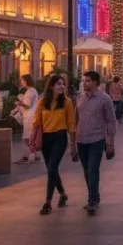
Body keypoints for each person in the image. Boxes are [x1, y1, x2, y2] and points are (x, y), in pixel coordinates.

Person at [75, 71, 116, 215]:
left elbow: (111, 121)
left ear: (95, 83)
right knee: (87, 171)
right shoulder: (80, 98)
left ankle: (91, 200)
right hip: (81, 139)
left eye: (87, 81)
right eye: (84, 80)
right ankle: (95, 195)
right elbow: (76, 119)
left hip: (97, 139)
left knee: (93, 169)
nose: (84, 83)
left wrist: (110, 142)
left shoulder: (105, 99)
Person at [34, 74, 75, 215]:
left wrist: (72, 143)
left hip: (60, 137)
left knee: (52, 167)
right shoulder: (42, 102)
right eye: (58, 84)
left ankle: (48, 202)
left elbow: (71, 123)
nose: (61, 86)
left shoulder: (67, 102)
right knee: (52, 170)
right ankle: (63, 194)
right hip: (46, 138)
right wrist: (33, 139)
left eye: (63, 84)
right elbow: (37, 121)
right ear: (51, 86)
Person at [13, 74, 40, 164]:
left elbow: (27, 105)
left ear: (26, 81)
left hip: (29, 117)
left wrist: (19, 103)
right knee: (29, 137)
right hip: (31, 116)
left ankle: (27, 156)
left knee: (27, 138)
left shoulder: (30, 91)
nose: (22, 82)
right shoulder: (33, 90)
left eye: (22, 80)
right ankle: (34, 155)